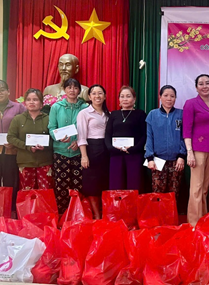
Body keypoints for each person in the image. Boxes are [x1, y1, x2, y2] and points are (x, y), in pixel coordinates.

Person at [183, 74, 209, 226]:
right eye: (201, 83)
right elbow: (186, 130)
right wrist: (189, 152)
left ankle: (203, 220)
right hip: (197, 150)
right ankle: (193, 223)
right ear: (196, 87)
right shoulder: (191, 104)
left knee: (205, 188)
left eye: (207, 83)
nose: (204, 86)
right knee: (196, 188)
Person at [48, 78, 88, 213]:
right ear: (64, 90)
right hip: (61, 152)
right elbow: (51, 127)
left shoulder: (85, 108)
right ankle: (62, 214)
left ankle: (77, 213)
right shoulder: (56, 107)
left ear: (79, 90)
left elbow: (87, 129)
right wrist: (58, 138)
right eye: (69, 87)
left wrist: (78, 141)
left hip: (79, 153)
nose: (72, 90)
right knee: (61, 185)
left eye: (75, 88)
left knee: (78, 185)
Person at [6, 89, 53, 190]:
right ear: (25, 103)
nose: (31, 102)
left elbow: (54, 138)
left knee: (46, 194)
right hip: (25, 162)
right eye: (28, 100)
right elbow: (10, 137)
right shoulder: (18, 119)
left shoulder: (49, 119)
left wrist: (45, 146)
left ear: (41, 103)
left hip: (45, 162)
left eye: (35, 99)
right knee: (27, 194)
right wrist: (27, 147)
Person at [144, 85, 185, 195]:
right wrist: (150, 158)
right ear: (160, 97)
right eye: (166, 95)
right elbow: (149, 137)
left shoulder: (181, 114)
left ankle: (173, 208)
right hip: (158, 161)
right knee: (158, 192)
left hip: (176, 161)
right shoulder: (153, 114)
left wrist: (182, 156)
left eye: (172, 96)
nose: (169, 99)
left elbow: (184, 136)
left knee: (173, 193)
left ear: (175, 98)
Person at [77, 84, 110, 218]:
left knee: (104, 181)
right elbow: (81, 136)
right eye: (94, 93)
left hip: (106, 150)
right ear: (89, 97)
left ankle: (105, 212)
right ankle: (97, 215)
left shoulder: (109, 114)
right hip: (91, 149)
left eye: (100, 93)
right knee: (92, 184)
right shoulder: (84, 113)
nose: (97, 96)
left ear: (105, 96)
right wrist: (84, 156)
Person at [106, 86, 146, 191]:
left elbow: (144, 135)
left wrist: (134, 148)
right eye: (122, 96)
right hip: (116, 154)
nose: (125, 99)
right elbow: (108, 134)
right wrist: (111, 148)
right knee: (116, 185)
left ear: (134, 99)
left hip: (134, 154)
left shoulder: (140, 114)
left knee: (134, 185)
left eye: (128, 96)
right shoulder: (114, 114)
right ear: (119, 99)